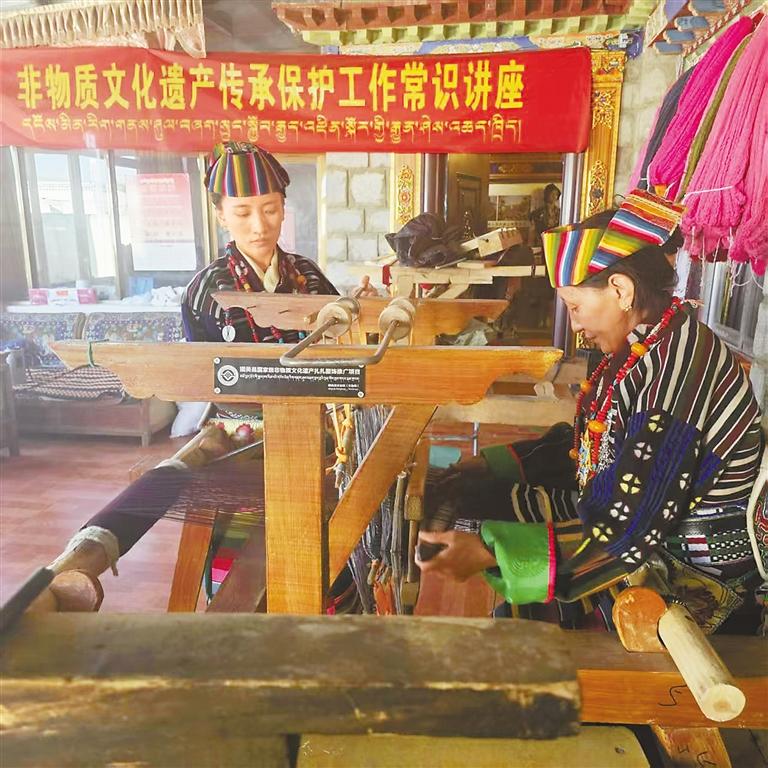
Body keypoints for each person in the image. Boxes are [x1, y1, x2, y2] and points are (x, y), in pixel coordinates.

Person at [418, 190, 764, 634]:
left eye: (576, 307)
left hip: (690, 583)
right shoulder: (649, 345)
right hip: (649, 539)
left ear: (620, 290)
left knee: (521, 632)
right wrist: (491, 464)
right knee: (478, 497)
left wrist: (491, 553)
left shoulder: (679, 369)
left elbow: (633, 526)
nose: (575, 324)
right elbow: (594, 446)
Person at [183, 141, 337, 344]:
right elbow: (197, 361)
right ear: (221, 216)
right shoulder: (206, 290)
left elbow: (343, 336)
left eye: (270, 210)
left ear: (283, 210)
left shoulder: (308, 274)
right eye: (243, 213)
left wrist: (362, 310)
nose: (260, 227)